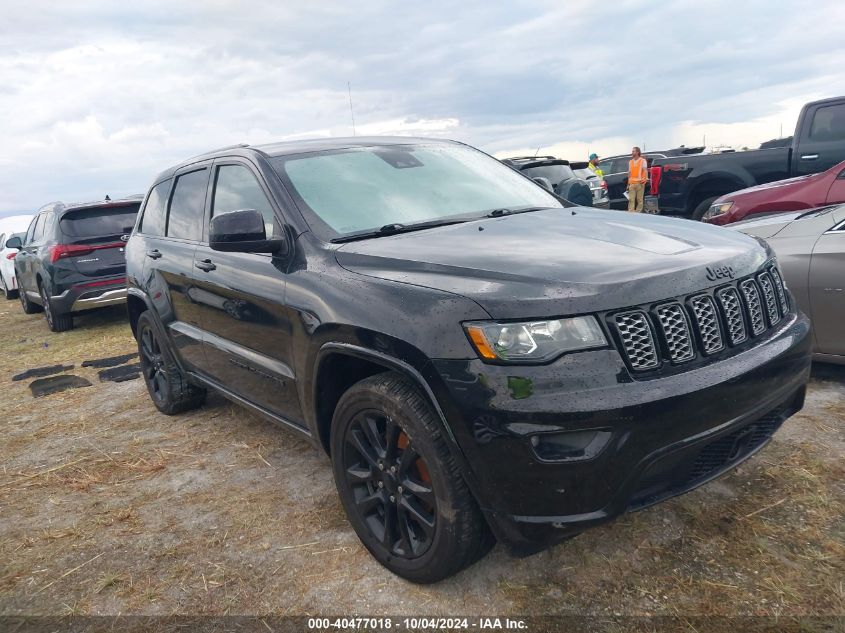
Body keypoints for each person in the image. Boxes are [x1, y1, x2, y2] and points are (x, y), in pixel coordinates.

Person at [626, 147, 648, 212]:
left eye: (633, 151)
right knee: (631, 199)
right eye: (632, 151)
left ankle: (638, 212)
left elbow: (645, 171)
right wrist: (628, 183)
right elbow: (629, 172)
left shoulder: (642, 161)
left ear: (637, 152)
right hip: (632, 183)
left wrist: (645, 179)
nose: (632, 152)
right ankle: (631, 212)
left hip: (640, 183)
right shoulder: (630, 162)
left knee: (639, 200)